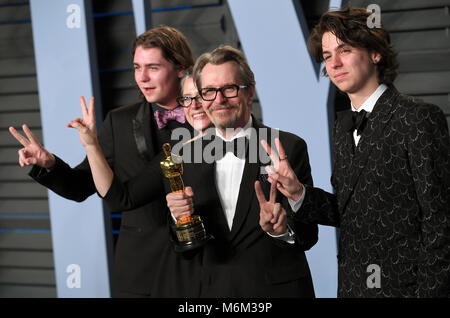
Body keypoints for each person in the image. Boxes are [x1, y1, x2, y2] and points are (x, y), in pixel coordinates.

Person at [263, 7, 450, 297]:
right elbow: (351, 211)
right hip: (353, 288)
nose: (334, 63)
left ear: (375, 53)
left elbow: (441, 223)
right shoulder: (342, 127)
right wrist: (298, 192)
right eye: (327, 56)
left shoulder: (418, 118)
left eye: (345, 50)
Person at [8, 26, 201, 297]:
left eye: (153, 67)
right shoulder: (119, 122)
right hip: (140, 271)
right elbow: (80, 187)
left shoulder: (209, 120)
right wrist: (49, 163)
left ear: (180, 68)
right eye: (137, 67)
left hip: (203, 265)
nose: (142, 78)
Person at [163, 45, 318, 297]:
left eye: (229, 89)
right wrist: (178, 217)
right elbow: (185, 250)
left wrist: (282, 231)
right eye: (209, 91)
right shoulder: (184, 156)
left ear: (250, 92)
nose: (220, 100)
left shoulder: (287, 147)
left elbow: (309, 235)